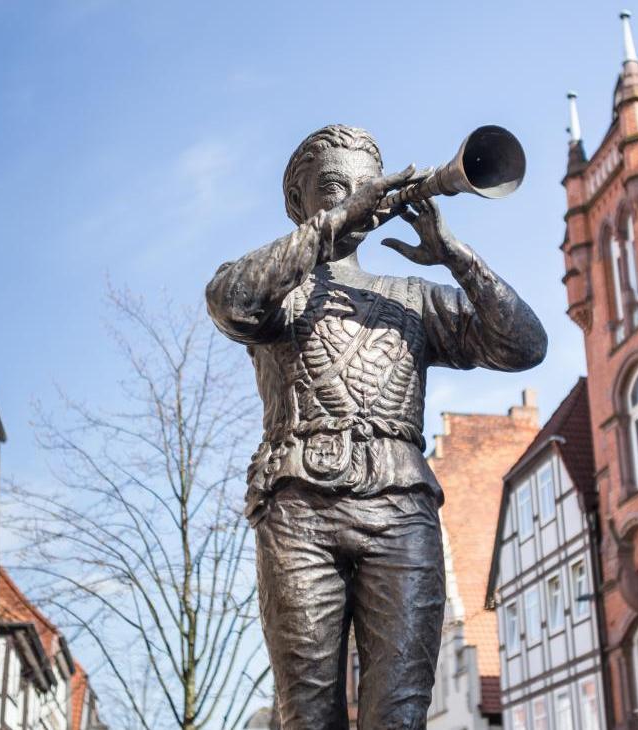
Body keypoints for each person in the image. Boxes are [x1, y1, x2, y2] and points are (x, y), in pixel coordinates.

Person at [205, 124, 546, 729]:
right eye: (333, 188)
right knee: (308, 713)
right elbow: (231, 300)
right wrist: (329, 229)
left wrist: (456, 257)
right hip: (300, 513)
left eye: (364, 190)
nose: (354, 200)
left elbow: (523, 346)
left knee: (401, 714)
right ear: (298, 202)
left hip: (403, 513)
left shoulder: (413, 298)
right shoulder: (279, 293)